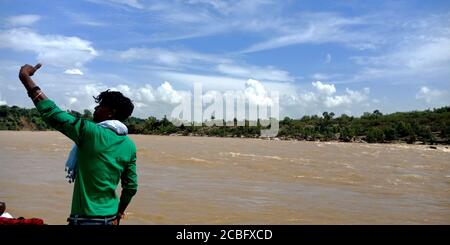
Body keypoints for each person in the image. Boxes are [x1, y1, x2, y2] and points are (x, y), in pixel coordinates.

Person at [18, 63, 138, 225]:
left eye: (100, 105)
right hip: (110, 218)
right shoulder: (129, 145)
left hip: (85, 220)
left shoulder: (90, 133)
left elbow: (52, 113)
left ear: (111, 112)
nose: (96, 108)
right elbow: (131, 187)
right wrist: (119, 213)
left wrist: (25, 78)